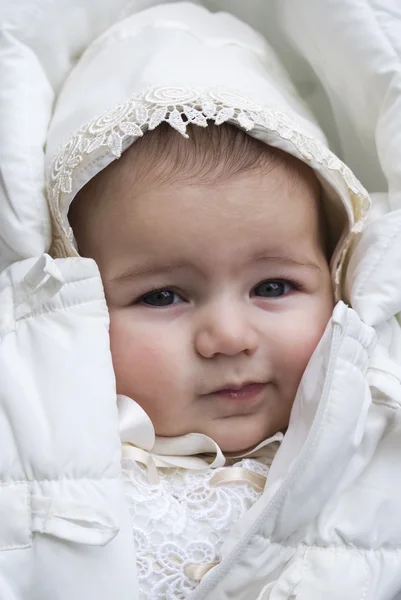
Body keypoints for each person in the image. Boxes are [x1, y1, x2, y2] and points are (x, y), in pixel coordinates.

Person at [1, 3, 401, 600]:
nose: (229, 337)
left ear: (338, 279)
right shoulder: (29, 455)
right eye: (162, 295)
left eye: (273, 287)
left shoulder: (376, 455)